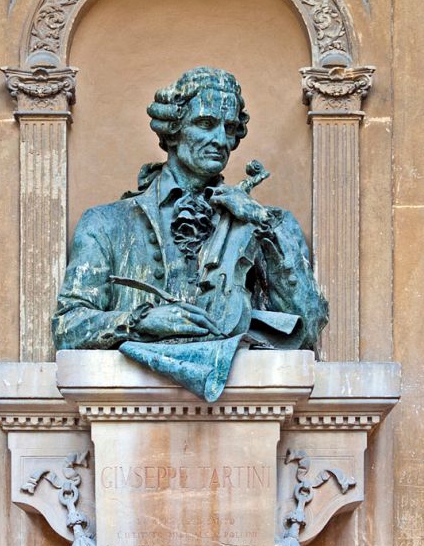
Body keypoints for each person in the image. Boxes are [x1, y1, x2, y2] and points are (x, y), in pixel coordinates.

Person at [52, 67, 328, 399]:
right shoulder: (107, 223)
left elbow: (308, 327)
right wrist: (142, 322)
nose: (220, 141)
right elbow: (68, 326)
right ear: (173, 130)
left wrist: (264, 225)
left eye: (228, 128)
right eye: (205, 124)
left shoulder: (268, 224)